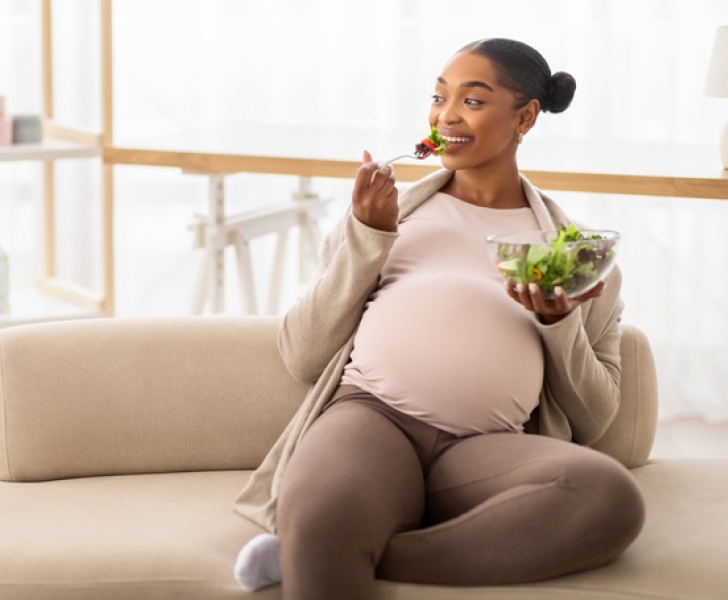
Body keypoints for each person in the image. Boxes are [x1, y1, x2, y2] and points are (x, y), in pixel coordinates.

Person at [232, 38, 645, 600]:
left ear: (525, 116)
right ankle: (328, 539)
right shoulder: (386, 216)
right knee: (326, 508)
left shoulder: (576, 257)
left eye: (473, 101)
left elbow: (594, 419)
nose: (445, 115)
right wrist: (368, 239)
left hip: (485, 448)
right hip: (373, 422)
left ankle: (340, 548)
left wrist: (559, 323)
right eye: (438, 97)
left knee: (608, 498)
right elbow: (302, 354)